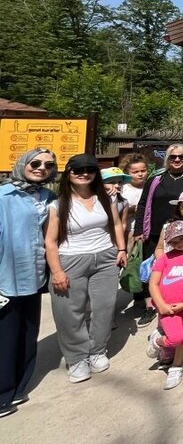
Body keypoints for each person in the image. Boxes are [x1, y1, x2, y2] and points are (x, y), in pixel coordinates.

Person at [45, 154, 127, 384]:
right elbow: (50, 241)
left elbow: (117, 224)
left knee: (103, 308)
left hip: (105, 257)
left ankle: (97, 350)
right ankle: (77, 357)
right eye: (78, 170)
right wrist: (58, 271)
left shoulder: (105, 198)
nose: (84, 174)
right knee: (70, 312)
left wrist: (121, 249)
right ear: (68, 173)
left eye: (90, 169)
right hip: (70, 259)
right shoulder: (58, 204)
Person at [0, 149, 57, 416]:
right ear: (23, 164)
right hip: (6, 277)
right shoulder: (3, 196)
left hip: (34, 277)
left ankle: (20, 385)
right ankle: (2, 394)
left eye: (48, 165)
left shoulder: (49, 197)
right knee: (5, 337)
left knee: (27, 333)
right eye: (35, 163)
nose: (41, 168)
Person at [132, 144, 183, 326]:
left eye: (181, 157)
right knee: (153, 270)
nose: (177, 160)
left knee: (177, 270)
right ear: (167, 159)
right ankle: (151, 306)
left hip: (182, 233)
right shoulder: (156, 179)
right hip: (154, 231)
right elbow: (143, 204)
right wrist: (138, 230)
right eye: (173, 157)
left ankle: (176, 301)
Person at [147, 221, 183, 389]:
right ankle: (157, 341)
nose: (179, 243)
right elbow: (153, 284)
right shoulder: (164, 259)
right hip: (167, 307)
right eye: (174, 241)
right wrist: (161, 305)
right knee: (176, 338)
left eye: (182, 238)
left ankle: (177, 366)